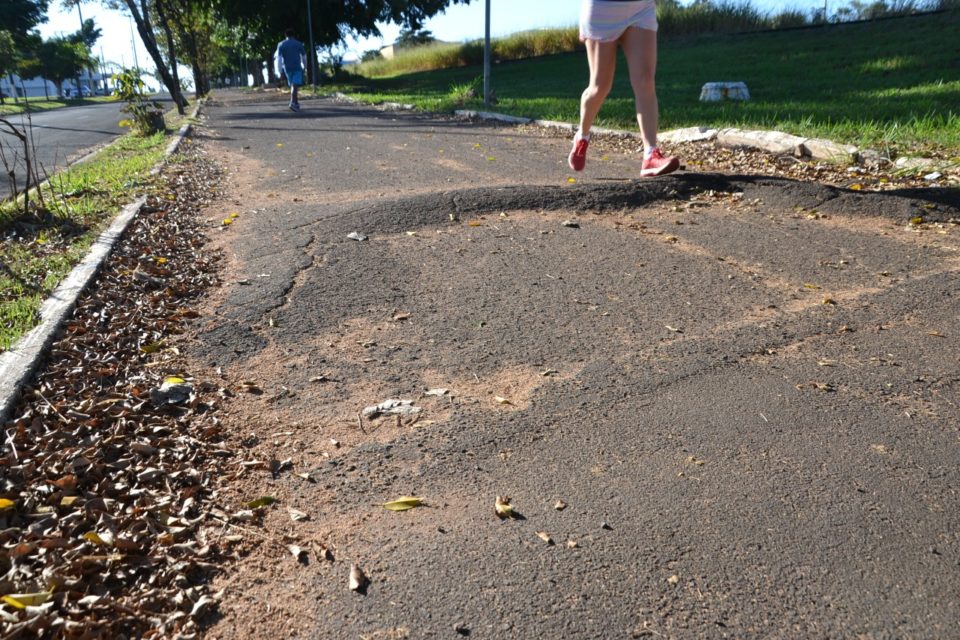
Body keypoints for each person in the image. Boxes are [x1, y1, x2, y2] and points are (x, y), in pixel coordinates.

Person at [569, 0, 679, 177]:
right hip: (602, 8)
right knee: (600, 86)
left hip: (641, 6)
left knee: (645, 80)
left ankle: (650, 154)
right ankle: (582, 135)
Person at [275, 28, 307, 112]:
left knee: (293, 85)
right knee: (294, 85)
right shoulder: (298, 44)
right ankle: (292, 102)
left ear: (285, 35)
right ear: (294, 35)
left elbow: (279, 59)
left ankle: (296, 104)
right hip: (297, 67)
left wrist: (280, 71)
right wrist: (305, 66)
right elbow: (304, 56)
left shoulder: (281, 44)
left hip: (287, 68)